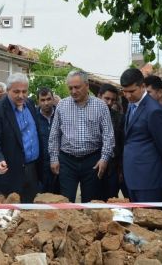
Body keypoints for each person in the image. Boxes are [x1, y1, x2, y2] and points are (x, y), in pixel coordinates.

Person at [49, 70, 115, 203]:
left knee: (89, 202)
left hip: (92, 161)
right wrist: (54, 158)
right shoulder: (62, 105)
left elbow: (108, 135)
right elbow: (54, 134)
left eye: (77, 87)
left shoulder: (101, 106)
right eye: (70, 88)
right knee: (66, 201)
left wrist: (104, 158)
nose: (73, 91)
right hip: (67, 161)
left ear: (87, 86)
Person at [118, 70, 162, 202]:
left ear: (142, 86)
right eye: (124, 91)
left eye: (131, 91)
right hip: (132, 176)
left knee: (147, 219)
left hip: (148, 178)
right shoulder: (132, 104)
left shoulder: (153, 110)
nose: (127, 95)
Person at [0, 73, 41, 203]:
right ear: (8, 90)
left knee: (29, 212)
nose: (21, 95)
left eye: (24, 91)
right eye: (16, 91)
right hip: (10, 172)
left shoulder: (30, 104)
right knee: (9, 215)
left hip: (32, 169)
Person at [97, 83, 125, 200]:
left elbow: (122, 144)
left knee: (111, 201)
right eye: (106, 98)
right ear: (99, 97)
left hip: (113, 168)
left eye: (112, 100)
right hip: (93, 165)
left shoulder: (119, 118)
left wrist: (120, 170)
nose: (109, 103)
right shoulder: (89, 115)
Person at [35, 87, 59, 194]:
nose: (46, 103)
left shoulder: (61, 114)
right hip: (40, 165)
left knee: (60, 196)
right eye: (43, 100)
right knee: (41, 198)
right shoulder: (33, 117)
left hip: (60, 163)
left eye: (49, 99)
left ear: (53, 99)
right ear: (38, 102)